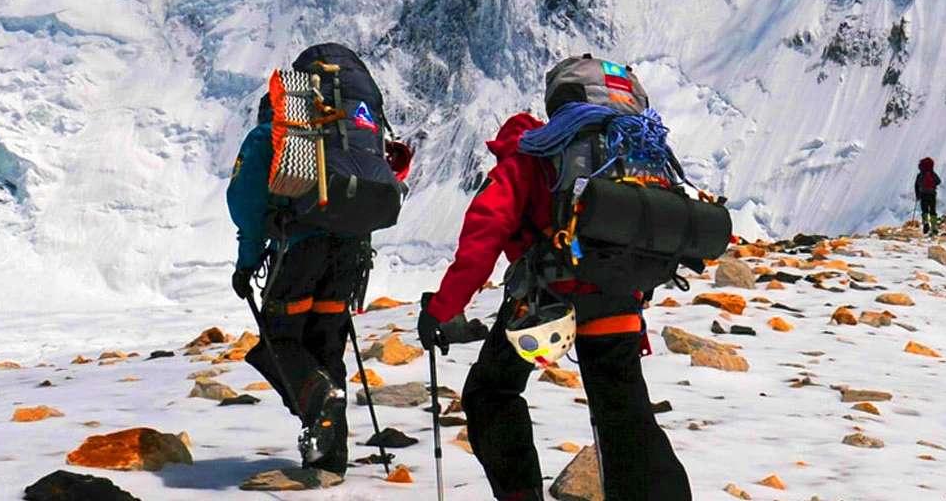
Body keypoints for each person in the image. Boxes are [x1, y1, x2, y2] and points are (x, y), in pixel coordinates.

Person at [418, 55, 697, 501]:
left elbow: (482, 239)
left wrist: (442, 309)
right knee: (625, 414)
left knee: (492, 392)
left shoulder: (531, 153)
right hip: (620, 300)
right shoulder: (630, 150)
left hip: (546, 306)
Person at [227, 43, 399, 476]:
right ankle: (330, 459)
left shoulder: (271, 136)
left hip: (299, 255)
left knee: (282, 341)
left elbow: (245, 205)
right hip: (351, 256)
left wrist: (247, 264)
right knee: (327, 346)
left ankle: (321, 402)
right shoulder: (358, 132)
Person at [915, 157, 941, 235]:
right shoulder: (932, 173)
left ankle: (925, 224)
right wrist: (933, 186)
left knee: (924, 210)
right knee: (933, 210)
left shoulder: (920, 175)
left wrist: (917, 195)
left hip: (923, 194)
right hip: (932, 194)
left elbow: (916, 185)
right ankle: (934, 227)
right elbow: (938, 181)